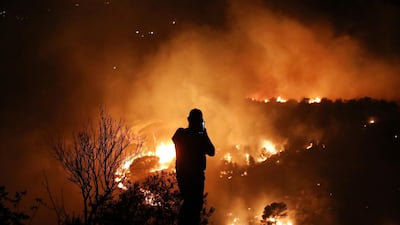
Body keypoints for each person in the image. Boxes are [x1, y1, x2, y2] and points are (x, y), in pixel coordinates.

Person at [172, 108, 215, 225]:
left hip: (183, 175)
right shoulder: (198, 138)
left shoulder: (181, 134)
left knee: (188, 204)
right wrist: (204, 133)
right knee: (194, 207)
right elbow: (211, 151)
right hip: (195, 177)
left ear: (188, 119)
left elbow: (175, 138)